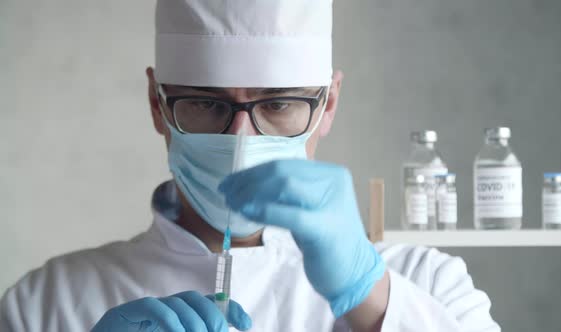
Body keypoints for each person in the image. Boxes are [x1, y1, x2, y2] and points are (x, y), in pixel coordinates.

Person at [0, 0, 500, 331]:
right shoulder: (48, 303)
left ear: (327, 105)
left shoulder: (426, 283)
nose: (241, 140)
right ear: (157, 104)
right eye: (205, 103)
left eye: (278, 105)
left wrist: (369, 295)